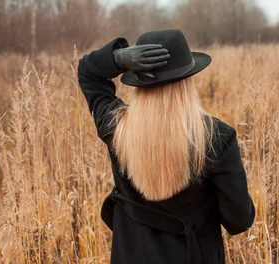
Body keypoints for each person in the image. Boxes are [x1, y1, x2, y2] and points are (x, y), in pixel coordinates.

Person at [77, 29, 255, 264]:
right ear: (187, 79)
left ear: (137, 80)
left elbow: (88, 72)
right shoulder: (216, 138)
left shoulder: (116, 128)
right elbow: (239, 220)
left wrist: (118, 58)